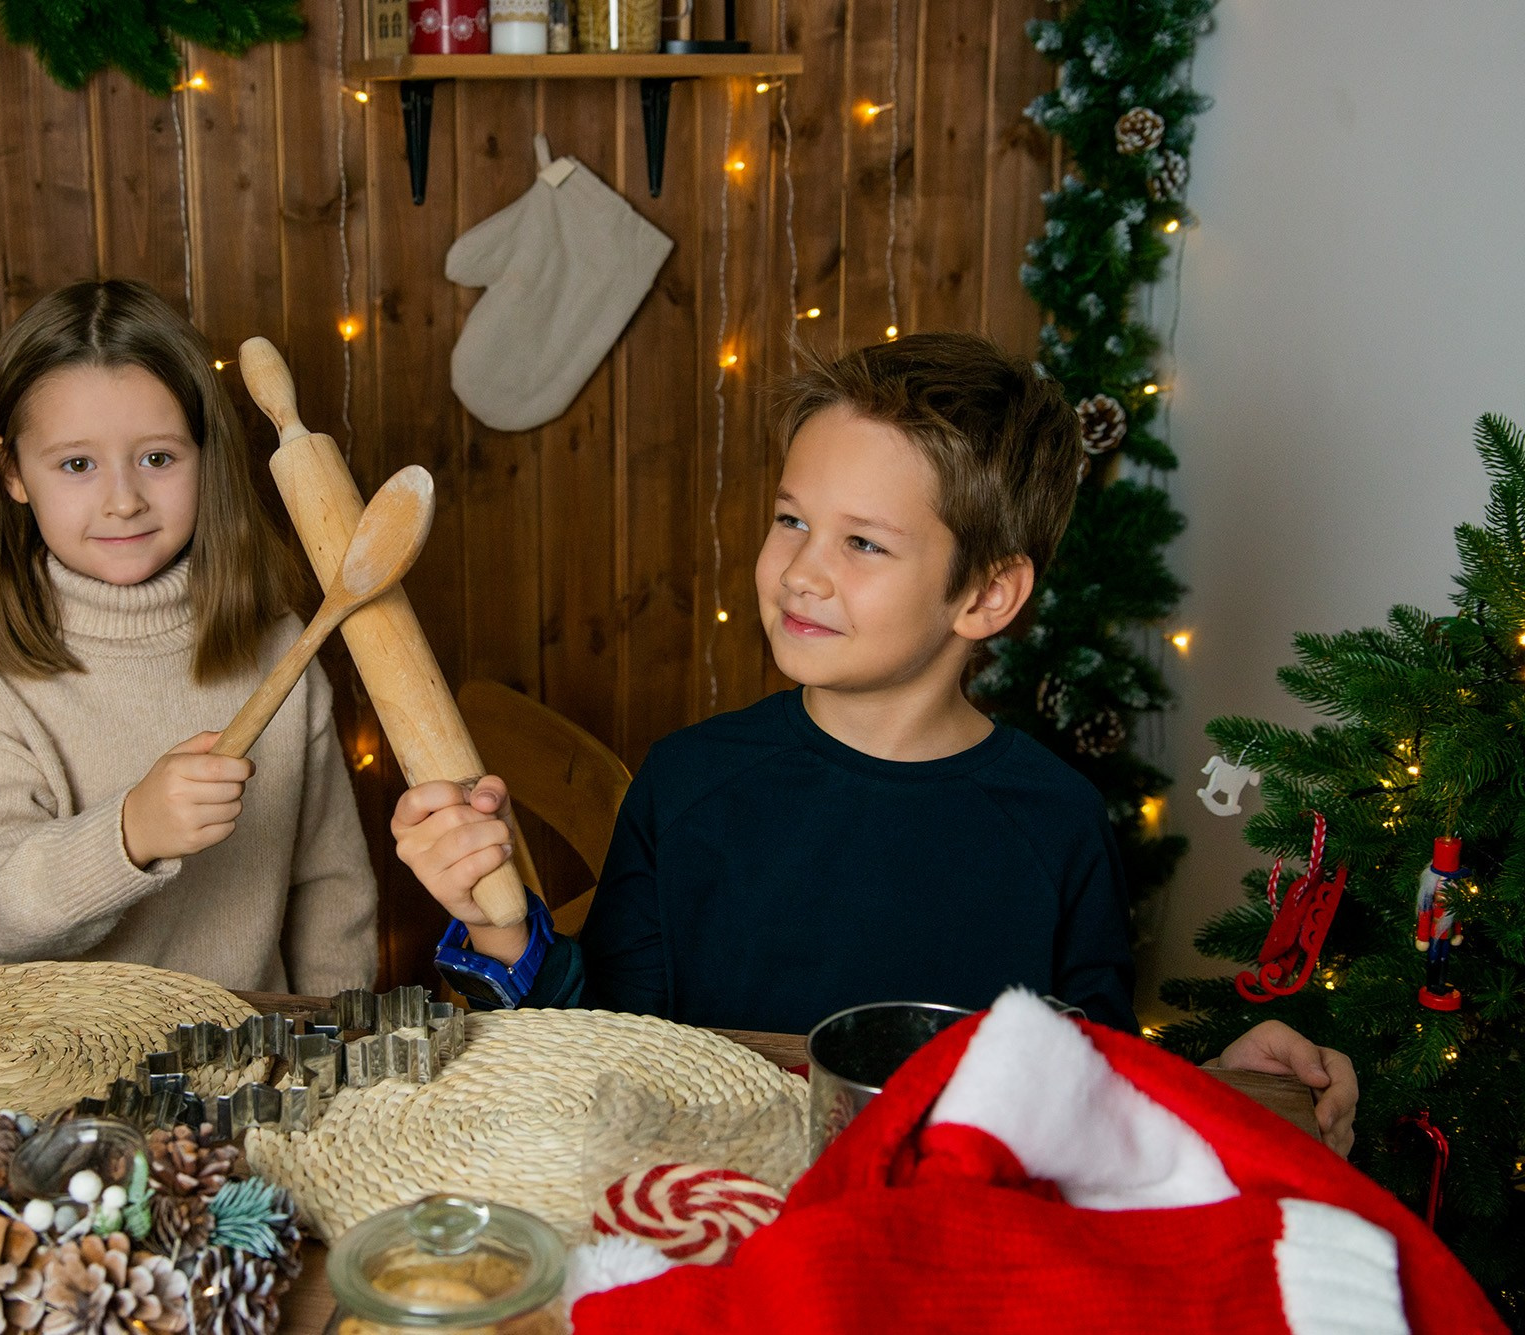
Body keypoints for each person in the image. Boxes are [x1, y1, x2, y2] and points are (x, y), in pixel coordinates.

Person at [394, 332, 1359, 1151]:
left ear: (986, 594)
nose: (799, 572)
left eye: (863, 543)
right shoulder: (690, 780)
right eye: (791, 520)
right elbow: (599, 1053)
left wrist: (1221, 1086)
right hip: (707, 1225)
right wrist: (501, 929)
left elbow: (1086, 1095)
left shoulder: (1058, 822)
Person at [0, 279, 376, 995]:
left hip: (245, 1068)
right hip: (48, 1070)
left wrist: (333, 1039)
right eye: (77, 464)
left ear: (205, 452)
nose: (124, 499)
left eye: (158, 458)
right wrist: (129, 833)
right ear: (12, 470)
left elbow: (331, 886)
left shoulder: (278, 649)